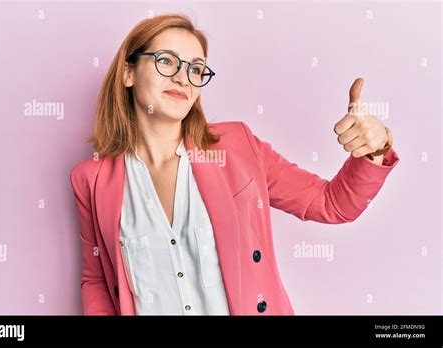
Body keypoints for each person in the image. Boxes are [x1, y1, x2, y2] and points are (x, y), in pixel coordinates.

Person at [69, 13, 400, 315]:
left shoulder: (238, 147)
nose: (183, 78)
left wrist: (376, 147)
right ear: (128, 72)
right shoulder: (91, 180)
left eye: (195, 69)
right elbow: (96, 278)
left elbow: (332, 204)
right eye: (167, 62)